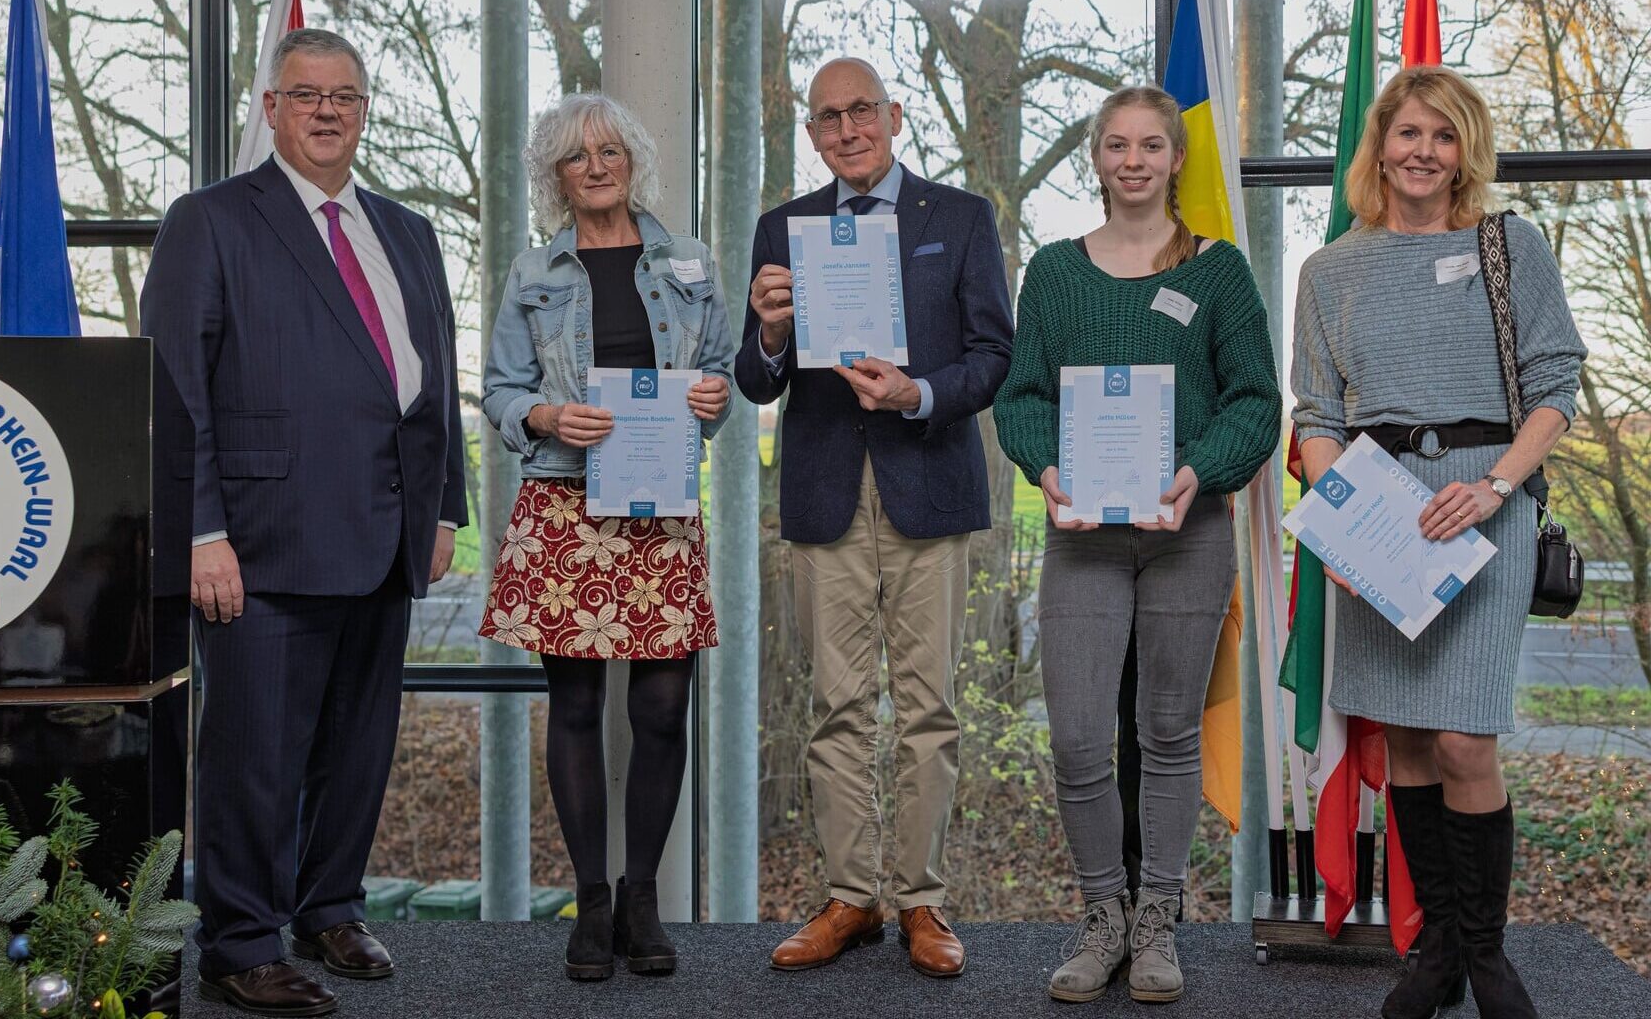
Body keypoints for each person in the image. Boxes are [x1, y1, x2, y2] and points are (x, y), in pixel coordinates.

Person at [145, 28, 467, 1017]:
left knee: (359, 744)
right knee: (254, 752)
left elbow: (433, 379)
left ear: (365, 110)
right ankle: (239, 942)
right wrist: (202, 531)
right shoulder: (210, 220)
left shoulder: (407, 229)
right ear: (273, 108)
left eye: (347, 96)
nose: (329, 111)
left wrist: (447, 501)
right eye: (307, 94)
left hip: (387, 527)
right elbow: (174, 385)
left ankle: (328, 904)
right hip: (262, 537)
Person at [1291, 66, 1585, 1019]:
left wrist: (1497, 487)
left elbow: (1554, 391)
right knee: (1408, 737)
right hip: (1377, 518)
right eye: (1408, 134)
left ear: (1468, 151)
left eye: (1444, 136)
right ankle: (1437, 954)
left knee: (1464, 737)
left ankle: (1486, 953)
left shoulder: (1511, 247)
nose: (1423, 152)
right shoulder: (1328, 269)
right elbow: (1318, 412)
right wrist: (1339, 511)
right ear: (1379, 147)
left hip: (1483, 512)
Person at [994, 85, 1280, 1004]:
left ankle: (1158, 920)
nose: (1133, 160)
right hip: (1083, 539)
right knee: (1079, 739)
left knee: (1165, 734)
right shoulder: (1053, 271)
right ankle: (1101, 917)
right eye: (1116, 144)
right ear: (1097, 157)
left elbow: (1255, 402)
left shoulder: (1217, 271)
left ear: (1175, 159)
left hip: (1186, 535)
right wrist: (1045, 470)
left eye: (1151, 145)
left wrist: (1199, 470)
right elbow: (1021, 397)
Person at [736, 57, 1013, 980]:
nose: (848, 129)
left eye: (862, 111)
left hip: (928, 482)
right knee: (836, 706)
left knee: (928, 706)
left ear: (893, 116)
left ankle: (921, 901)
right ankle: (851, 897)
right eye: (828, 118)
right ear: (812, 134)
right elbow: (754, 377)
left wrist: (918, 393)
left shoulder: (961, 218)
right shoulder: (785, 226)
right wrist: (771, 331)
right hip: (825, 491)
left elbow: (993, 358)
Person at [478, 92, 735, 981]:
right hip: (563, 504)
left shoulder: (692, 261)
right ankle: (589, 902)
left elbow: (720, 379)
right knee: (578, 709)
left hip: (661, 507)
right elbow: (500, 391)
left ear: (633, 159)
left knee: (663, 709)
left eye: (610, 149)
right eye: (578, 155)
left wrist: (712, 399)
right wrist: (546, 412)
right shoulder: (532, 274)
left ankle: (642, 898)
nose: (598, 165)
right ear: (556, 176)